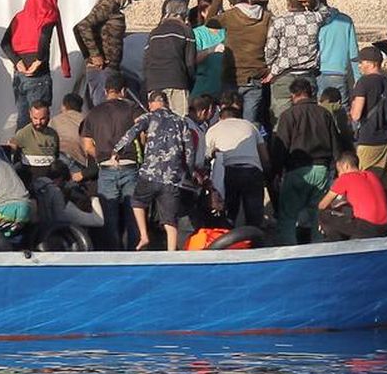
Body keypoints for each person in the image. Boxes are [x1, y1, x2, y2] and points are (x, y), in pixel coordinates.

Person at [113, 90, 194, 251]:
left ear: (151, 104)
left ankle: (144, 235)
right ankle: (171, 252)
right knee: (170, 220)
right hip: (172, 176)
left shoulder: (148, 117)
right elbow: (190, 150)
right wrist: (188, 172)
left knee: (137, 202)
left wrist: (118, 149)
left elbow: (132, 132)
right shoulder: (181, 121)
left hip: (150, 173)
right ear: (166, 103)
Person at [271, 78, 343, 245]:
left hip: (296, 171)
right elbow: (336, 144)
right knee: (318, 215)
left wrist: (276, 172)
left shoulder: (288, 115)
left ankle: (289, 251)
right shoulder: (324, 113)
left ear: (293, 95)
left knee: (288, 217)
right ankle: (318, 248)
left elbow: (281, 147)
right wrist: (338, 170)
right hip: (322, 170)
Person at [79, 72, 141, 250]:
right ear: (124, 91)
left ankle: (114, 254)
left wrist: (101, 155)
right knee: (133, 215)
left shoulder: (93, 113)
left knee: (109, 217)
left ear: (106, 91)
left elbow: (87, 145)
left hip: (106, 167)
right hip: (129, 164)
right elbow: (143, 132)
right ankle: (134, 253)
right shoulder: (132, 108)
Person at [1, 0, 71, 131]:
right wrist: (38, 61)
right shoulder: (47, 14)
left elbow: (4, 43)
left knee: (23, 118)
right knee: (40, 121)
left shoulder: (20, 16)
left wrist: (17, 61)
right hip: (38, 75)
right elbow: (44, 39)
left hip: (20, 74)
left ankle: (20, 145)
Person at [351, 46, 387, 235]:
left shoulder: (363, 83)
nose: (359, 66)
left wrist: (351, 109)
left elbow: (356, 115)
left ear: (371, 63)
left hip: (369, 142)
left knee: (366, 187)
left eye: (361, 62)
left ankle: (367, 228)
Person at [204, 0, 273, 125]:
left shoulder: (230, 15)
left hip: (232, 75)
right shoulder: (267, 17)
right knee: (250, 123)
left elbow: (209, 22)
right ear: (247, 0)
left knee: (228, 121)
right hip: (255, 75)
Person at [265, 0, 330, 122]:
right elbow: (327, 11)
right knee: (307, 118)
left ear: (288, 2)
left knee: (281, 119)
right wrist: (313, 2)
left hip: (284, 75)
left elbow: (270, 51)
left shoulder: (279, 22)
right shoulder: (314, 18)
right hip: (307, 75)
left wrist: (272, 68)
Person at [74, 0, 140, 107]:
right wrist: (94, 55)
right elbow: (82, 26)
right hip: (102, 69)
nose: (130, 2)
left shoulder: (113, 7)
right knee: (105, 108)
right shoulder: (107, 4)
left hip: (109, 69)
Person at [205, 106, 269, 229]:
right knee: (254, 214)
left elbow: (206, 155)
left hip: (229, 171)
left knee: (230, 211)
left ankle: (229, 235)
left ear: (220, 118)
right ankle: (254, 236)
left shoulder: (214, 129)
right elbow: (264, 156)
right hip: (253, 170)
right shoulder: (250, 126)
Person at [143, 0, 197, 117]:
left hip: (154, 84)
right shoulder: (186, 31)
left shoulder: (154, 32)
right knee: (179, 121)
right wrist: (191, 83)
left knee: (158, 121)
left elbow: (146, 62)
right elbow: (190, 63)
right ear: (184, 14)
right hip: (177, 81)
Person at [317, 151, 387, 241]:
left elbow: (322, 205)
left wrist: (332, 209)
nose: (338, 174)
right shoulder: (371, 175)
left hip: (366, 226)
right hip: (384, 225)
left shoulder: (345, 178)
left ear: (346, 166)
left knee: (323, 215)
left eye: (339, 171)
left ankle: (336, 241)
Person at [308, 0, 359, 108]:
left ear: (315, 0)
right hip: (339, 72)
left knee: (320, 111)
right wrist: (358, 78)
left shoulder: (313, 21)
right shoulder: (346, 20)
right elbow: (354, 53)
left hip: (318, 72)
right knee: (341, 109)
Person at [32, 160, 104, 229]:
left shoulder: (36, 186)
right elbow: (98, 221)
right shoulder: (62, 203)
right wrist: (93, 197)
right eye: (64, 183)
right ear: (60, 179)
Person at [9, 100, 60, 185]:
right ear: (30, 115)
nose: (38, 122)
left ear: (48, 115)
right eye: (35, 118)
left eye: (42, 118)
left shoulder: (53, 134)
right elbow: (12, 149)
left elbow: (56, 156)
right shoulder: (23, 133)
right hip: (31, 178)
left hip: (49, 178)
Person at [50, 93, 87, 171]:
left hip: (58, 157)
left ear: (64, 106)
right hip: (78, 161)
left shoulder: (55, 120)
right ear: (80, 108)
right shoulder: (86, 120)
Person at [191, 18, 226, 99]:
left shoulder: (227, 31)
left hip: (224, 87)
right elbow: (193, 58)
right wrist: (211, 50)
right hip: (204, 87)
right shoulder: (197, 33)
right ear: (203, 13)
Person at [319, 87, 354, 151]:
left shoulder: (313, 109)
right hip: (334, 147)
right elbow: (344, 131)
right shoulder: (339, 109)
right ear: (339, 101)